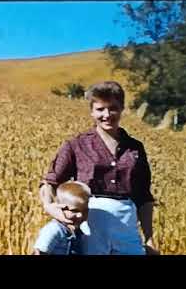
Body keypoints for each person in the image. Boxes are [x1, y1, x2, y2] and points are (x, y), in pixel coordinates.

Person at [39, 81, 160, 255]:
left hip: (126, 224)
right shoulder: (77, 145)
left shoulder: (135, 147)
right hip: (91, 223)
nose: (107, 114)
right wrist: (50, 207)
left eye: (113, 108)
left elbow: (143, 197)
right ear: (91, 111)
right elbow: (50, 181)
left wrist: (149, 238)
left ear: (122, 108)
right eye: (100, 109)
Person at [33, 181, 91, 255]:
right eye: (74, 211)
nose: (80, 215)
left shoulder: (78, 233)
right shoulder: (54, 229)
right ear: (60, 208)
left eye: (85, 211)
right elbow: (39, 252)